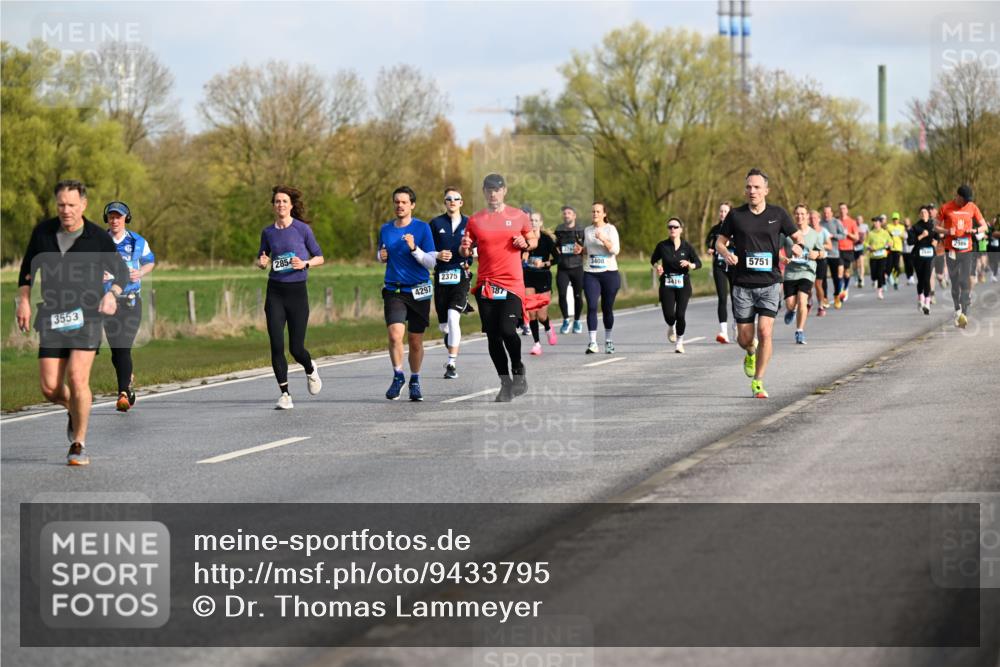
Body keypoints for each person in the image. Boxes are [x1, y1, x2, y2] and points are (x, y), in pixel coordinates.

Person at [16, 180, 130, 466]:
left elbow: (121, 274)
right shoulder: (43, 233)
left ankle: (78, 444)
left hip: (87, 316)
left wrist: (112, 296)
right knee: (50, 388)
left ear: (83, 205)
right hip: (52, 316)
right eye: (61, 205)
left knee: (78, 378)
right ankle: (73, 407)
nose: (66, 210)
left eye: (71, 205)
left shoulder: (96, 238)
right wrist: (25, 301)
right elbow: (26, 273)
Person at [716, 168, 802, 399]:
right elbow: (720, 242)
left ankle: (759, 381)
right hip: (742, 284)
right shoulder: (736, 216)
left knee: (765, 331)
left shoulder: (778, 214)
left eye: (756, 187)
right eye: (748, 187)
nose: (752, 191)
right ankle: (751, 352)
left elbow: (797, 237)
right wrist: (726, 253)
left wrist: (798, 247)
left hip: (770, 283)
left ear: (766, 190)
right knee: (744, 339)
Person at [459, 173, 537, 402]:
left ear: (504, 191)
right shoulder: (475, 220)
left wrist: (526, 243)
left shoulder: (519, 216)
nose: (493, 193)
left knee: (507, 330)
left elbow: (533, 240)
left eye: (497, 189)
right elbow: (466, 250)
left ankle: (518, 369)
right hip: (486, 284)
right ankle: (505, 383)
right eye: (489, 189)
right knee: (493, 337)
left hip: (512, 284)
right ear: (484, 192)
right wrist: (464, 249)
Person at [257, 186, 325, 409]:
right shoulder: (268, 232)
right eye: (277, 201)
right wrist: (261, 262)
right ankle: (285, 394)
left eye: (284, 201)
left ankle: (309, 368)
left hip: (297, 292)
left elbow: (320, 257)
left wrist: (305, 263)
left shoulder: (302, 229)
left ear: (291, 205)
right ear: (273, 205)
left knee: (296, 348)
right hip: (275, 291)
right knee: (276, 344)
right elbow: (262, 257)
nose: (280, 205)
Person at [378, 186, 437, 400]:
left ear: (412, 205)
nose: (399, 206)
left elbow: (431, 262)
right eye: (396, 202)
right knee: (395, 336)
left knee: (415, 340)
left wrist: (414, 248)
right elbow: (382, 254)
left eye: (404, 202)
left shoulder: (422, 229)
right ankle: (398, 375)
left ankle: (415, 379)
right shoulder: (385, 229)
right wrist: (381, 256)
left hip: (419, 289)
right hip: (394, 289)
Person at [101, 201, 155, 412]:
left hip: (131, 301)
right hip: (107, 303)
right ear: (107, 219)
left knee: (123, 346)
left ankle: (123, 392)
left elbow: (149, 261)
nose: (115, 220)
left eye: (119, 217)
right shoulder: (99, 241)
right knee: (116, 351)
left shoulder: (137, 241)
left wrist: (140, 272)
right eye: (112, 217)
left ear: (126, 219)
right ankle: (128, 382)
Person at [428, 187, 472, 379]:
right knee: (445, 326)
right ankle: (449, 338)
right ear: (444, 202)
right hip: (441, 277)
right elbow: (426, 250)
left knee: (454, 317)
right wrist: (437, 255)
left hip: (461, 274)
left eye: (456, 199)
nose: (452, 201)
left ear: (461, 202)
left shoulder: (470, 223)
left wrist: (467, 253)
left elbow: (477, 249)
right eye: (448, 199)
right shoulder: (435, 223)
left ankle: (451, 364)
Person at [935, 184, 988, 328]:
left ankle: (963, 314)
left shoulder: (972, 207)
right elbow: (936, 226)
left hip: (966, 250)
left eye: (968, 200)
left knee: (965, 281)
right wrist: (946, 231)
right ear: (958, 196)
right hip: (951, 250)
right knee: (955, 282)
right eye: (964, 199)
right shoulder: (945, 207)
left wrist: (975, 230)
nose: (966, 203)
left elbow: (985, 226)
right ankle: (957, 310)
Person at [652, 217, 702, 353]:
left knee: (680, 314)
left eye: (675, 227)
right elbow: (653, 260)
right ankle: (671, 325)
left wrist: (690, 264)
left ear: (681, 229)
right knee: (669, 315)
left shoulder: (687, 247)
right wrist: (658, 266)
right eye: (670, 227)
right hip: (667, 283)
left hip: (683, 284)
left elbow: (699, 263)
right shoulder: (662, 246)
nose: (672, 229)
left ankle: (679, 342)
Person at [781, 204, 826, 343]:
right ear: (794, 216)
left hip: (807, 272)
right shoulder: (787, 234)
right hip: (790, 273)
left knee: (802, 300)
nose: (800, 216)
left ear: (807, 216)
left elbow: (823, 252)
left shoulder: (814, 234)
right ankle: (791, 311)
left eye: (802, 214)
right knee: (790, 304)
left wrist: (816, 253)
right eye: (797, 214)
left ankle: (799, 331)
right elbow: (776, 250)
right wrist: (782, 258)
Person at [582, 201, 622, 354]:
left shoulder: (611, 229)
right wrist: (582, 250)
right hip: (591, 273)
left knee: (607, 308)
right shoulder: (587, 230)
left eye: (598, 211)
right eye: (593, 211)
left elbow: (615, 250)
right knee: (592, 306)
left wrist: (604, 239)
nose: (595, 214)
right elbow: (589, 249)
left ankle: (608, 340)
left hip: (609, 273)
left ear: (604, 214)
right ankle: (592, 342)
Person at [523, 211, 558, 355]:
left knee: (542, 316)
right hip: (529, 278)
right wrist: (523, 257)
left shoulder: (546, 239)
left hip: (543, 278)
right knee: (532, 314)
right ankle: (537, 344)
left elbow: (558, 259)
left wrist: (543, 264)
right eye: (531, 220)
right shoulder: (524, 240)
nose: (533, 222)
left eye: (536, 220)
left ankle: (548, 327)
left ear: (541, 223)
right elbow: (518, 258)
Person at [554, 205, 586, 335]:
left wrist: (581, 249)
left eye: (569, 213)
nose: (566, 215)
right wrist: (557, 251)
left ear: (574, 216)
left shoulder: (581, 230)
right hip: (563, 268)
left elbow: (586, 247)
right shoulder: (559, 229)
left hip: (577, 267)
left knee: (578, 295)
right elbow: (555, 246)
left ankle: (577, 321)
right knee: (562, 295)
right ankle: (566, 320)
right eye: (564, 213)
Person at [705, 201, 734, 342]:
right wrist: (710, 249)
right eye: (721, 211)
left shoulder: (737, 228)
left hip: (734, 267)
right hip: (719, 266)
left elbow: (743, 243)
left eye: (726, 211)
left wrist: (730, 244)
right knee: (722, 298)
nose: (723, 214)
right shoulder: (715, 229)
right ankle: (724, 332)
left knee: (736, 298)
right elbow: (708, 242)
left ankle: (737, 327)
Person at [909, 205, 937, 315]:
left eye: (925, 212)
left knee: (927, 278)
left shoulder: (933, 225)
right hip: (918, 256)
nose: (924, 214)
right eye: (922, 213)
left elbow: (937, 236)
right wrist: (921, 236)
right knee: (920, 279)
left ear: (928, 214)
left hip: (930, 255)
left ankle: (927, 303)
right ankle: (920, 298)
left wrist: (936, 241)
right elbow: (910, 242)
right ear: (919, 215)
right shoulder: (915, 227)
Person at [819, 205, 845, 312]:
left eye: (828, 212)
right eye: (824, 213)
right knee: (823, 277)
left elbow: (843, 235)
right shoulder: (820, 223)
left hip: (834, 254)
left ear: (832, 213)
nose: (826, 214)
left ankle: (837, 296)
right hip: (823, 254)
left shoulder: (836, 222)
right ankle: (824, 298)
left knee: (836, 277)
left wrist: (832, 236)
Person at [834, 202, 860, 308]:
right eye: (840, 208)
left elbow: (857, 237)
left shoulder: (852, 222)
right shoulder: (836, 222)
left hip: (848, 249)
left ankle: (846, 287)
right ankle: (840, 291)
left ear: (847, 210)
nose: (842, 210)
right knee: (840, 272)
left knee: (847, 272)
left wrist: (847, 233)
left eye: (844, 208)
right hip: (838, 249)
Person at [809, 209, 833, 317]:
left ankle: (821, 306)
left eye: (814, 218)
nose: (812, 220)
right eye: (811, 218)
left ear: (819, 219)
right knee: (808, 284)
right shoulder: (807, 231)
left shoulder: (823, 231)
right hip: (809, 259)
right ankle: (809, 302)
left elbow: (830, 246)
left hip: (821, 259)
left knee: (818, 284)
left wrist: (819, 247)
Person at [864, 216, 892, 300]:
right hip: (873, 256)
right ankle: (875, 281)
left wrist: (889, 244)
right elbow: (865, 243)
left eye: (876, 222)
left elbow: (890, 241)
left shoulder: (885, 232)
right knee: (873, 274)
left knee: (880, 273)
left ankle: (879, 291)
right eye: (874, 222)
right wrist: (869, 247)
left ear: (880, 223)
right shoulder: (871, 233)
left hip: (882, 256)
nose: (875, 224)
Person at [929, 202, 947, 304]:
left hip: (940, 251)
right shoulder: (926, 222)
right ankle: (932, 295)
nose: (930, 211)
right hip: (930, 252)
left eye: (932, 209)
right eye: (929, 209)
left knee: (938, 275)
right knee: (930, 274)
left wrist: (941, 235)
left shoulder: (942, 221)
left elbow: (946, 234)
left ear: (936, 210)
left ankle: (941, 278)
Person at [886, 212, 906, 290]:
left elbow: (904, 236)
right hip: (890, 248)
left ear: (898, 219)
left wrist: (901, 234)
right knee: (889, 265)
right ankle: (890, 277)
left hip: (898, 248)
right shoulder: (889, 226)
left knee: (896, 266)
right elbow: (887, 234)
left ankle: (896, 279)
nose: (895, 220)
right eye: (894, 219)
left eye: (896, 219)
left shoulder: (902, 227)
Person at [855, 214, 869, 288]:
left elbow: (868, 235)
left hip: (862, 247)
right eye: (857, 219)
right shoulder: (854, 226)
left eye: (860, 219)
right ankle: (857, 278)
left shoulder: (865, 226)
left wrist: (866, 242)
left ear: (862, 220)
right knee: (856, 265)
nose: (859, 221)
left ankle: (862, 278)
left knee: (862, 262)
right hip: (854, 247)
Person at [901, 216, 916, 285]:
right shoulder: (902, 230)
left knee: (911, 264)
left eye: (907, 221)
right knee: (906, 265)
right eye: (905, 222)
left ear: (910, 222)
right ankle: (908, 278)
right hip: (904, 250)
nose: (906, 223)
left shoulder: (913, 230)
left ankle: (912, 277)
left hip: (911, 250)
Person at [988, 215, 1000, 282]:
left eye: (995, 219)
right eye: (993, 219)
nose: (994, 221)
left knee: (995, 261)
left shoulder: (995, 227)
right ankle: (993, 274)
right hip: (990, 247)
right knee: (992, 261)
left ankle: (994, 274)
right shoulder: (988, 227)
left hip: (996, 247)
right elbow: (989, 235)